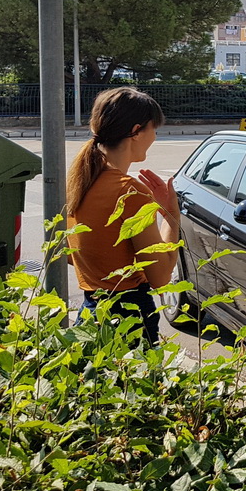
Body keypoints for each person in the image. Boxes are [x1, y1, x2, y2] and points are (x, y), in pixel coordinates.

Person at [65, 87, 179, 344]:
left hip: (91, 310)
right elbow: (161, 278)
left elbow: (71, 255)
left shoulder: (80, 179)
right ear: (137, 132)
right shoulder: (129, 191)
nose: (155, 138)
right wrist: (171, 214)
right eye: (154, 130)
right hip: (129, 317)